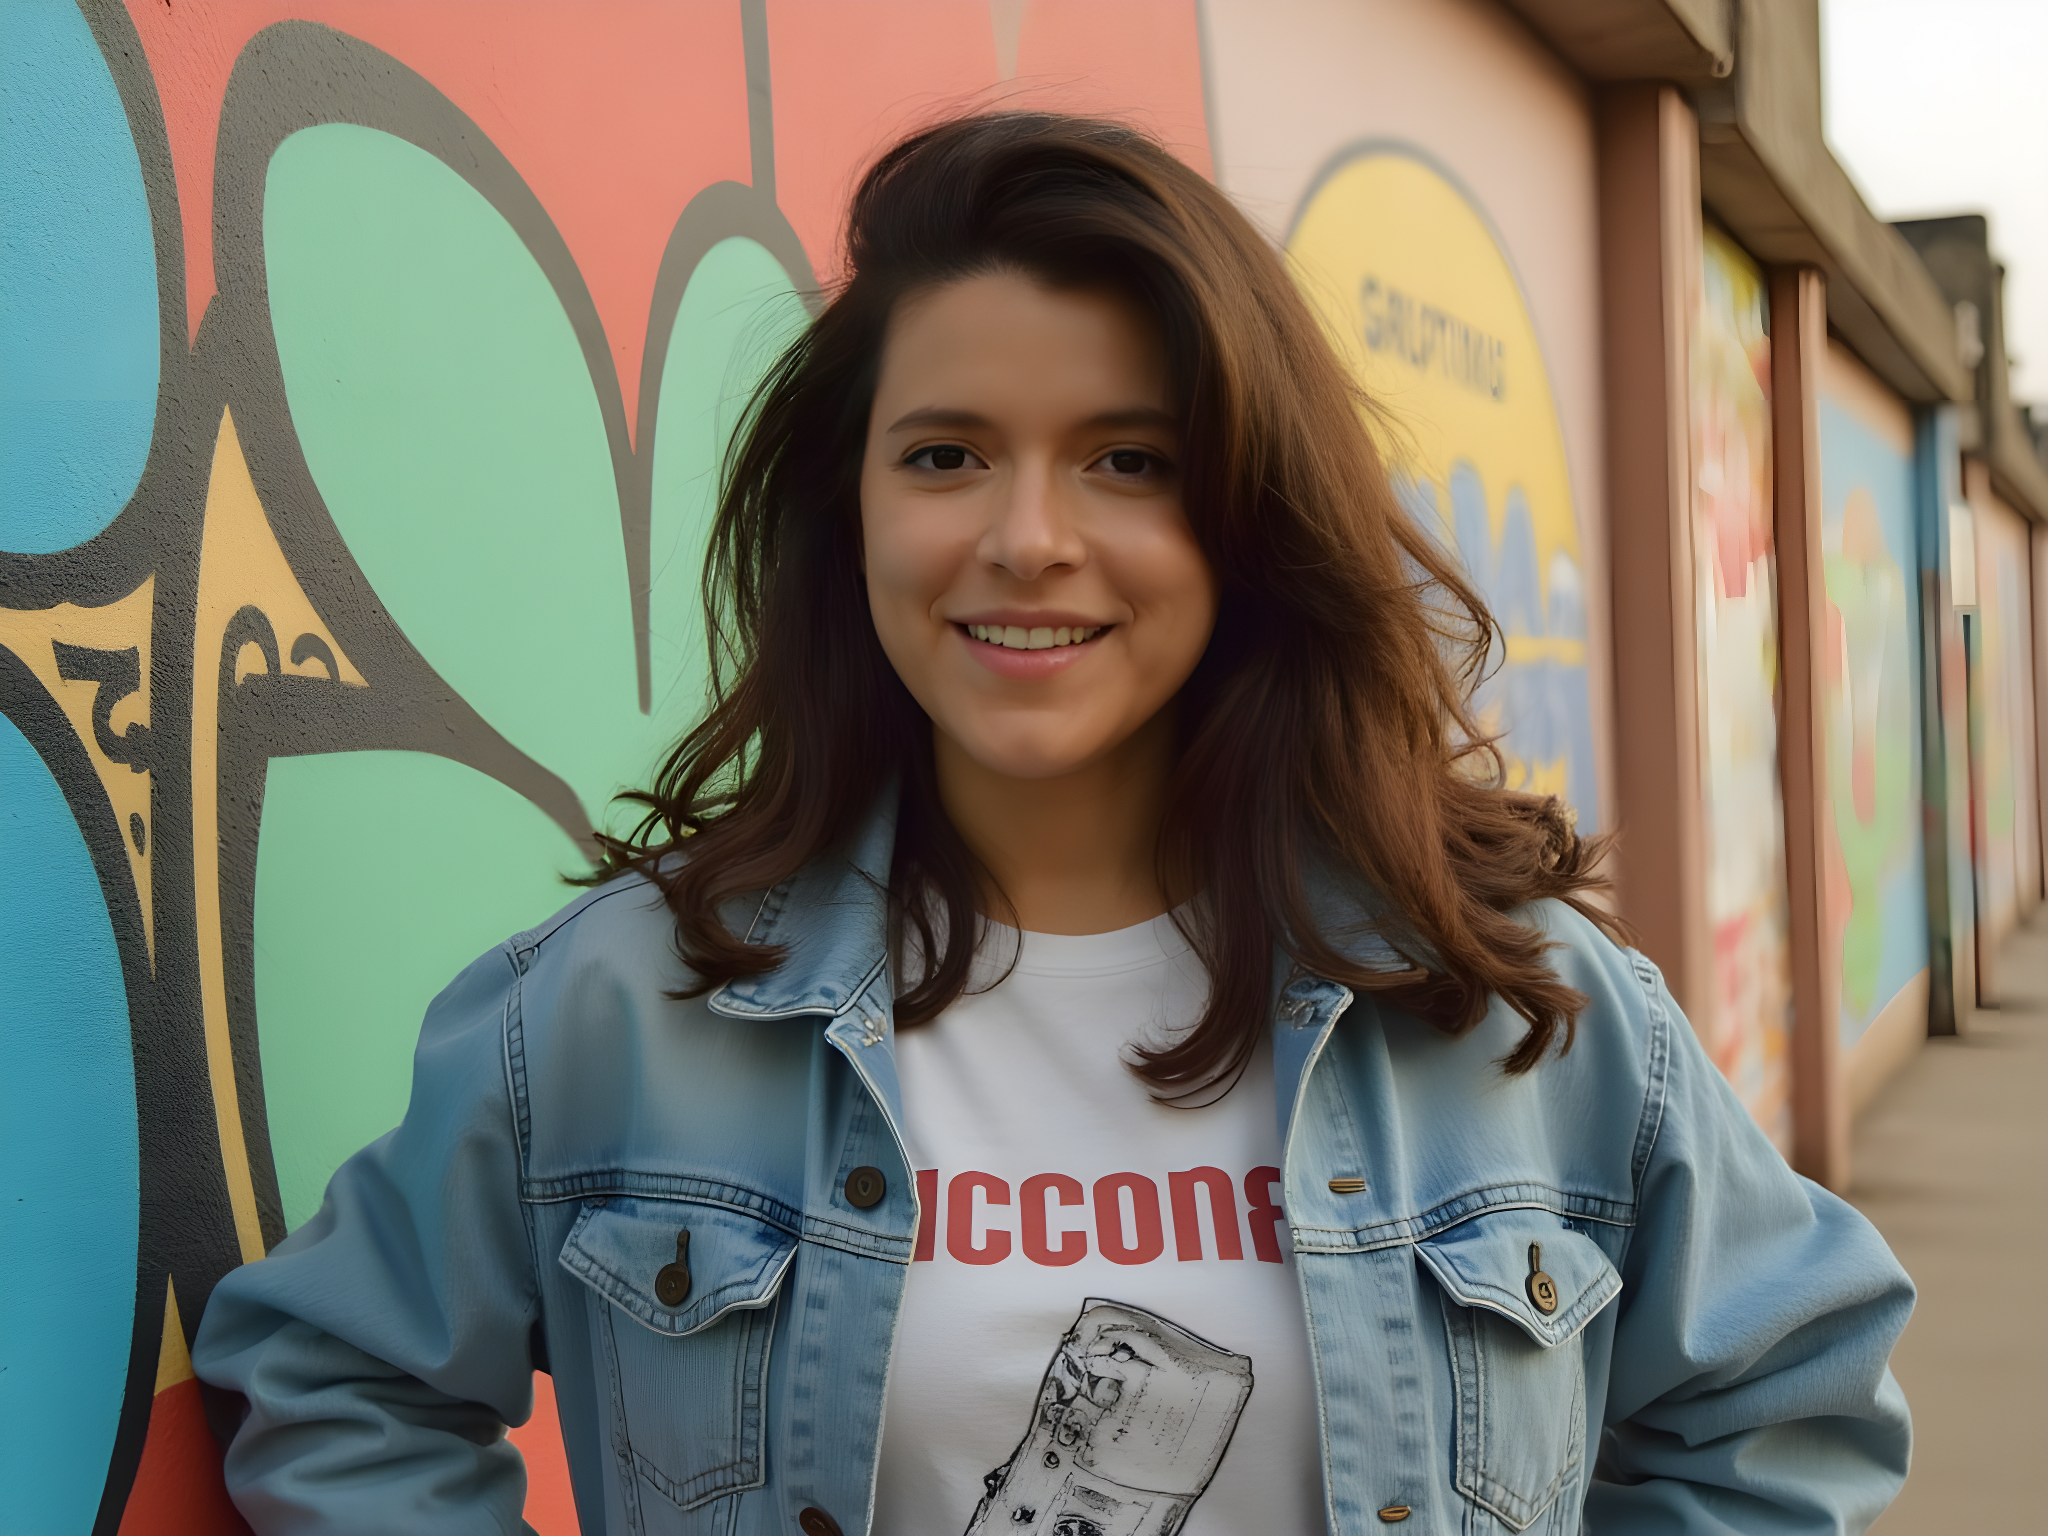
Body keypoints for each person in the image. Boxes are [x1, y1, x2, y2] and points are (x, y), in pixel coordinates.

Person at [195, 112, 1912, 1536]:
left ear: (1250, 516)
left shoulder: (1516, 1009)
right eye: (945, 456)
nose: (1026, 537)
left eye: (1129, 460)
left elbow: (1786, 1393)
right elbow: (336, 1376)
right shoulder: (624, 1005)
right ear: (847, 510)